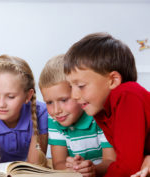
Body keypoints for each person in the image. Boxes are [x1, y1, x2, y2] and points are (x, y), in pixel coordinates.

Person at [64, 32, 150, 177]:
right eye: (71, 86)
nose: (74, 96)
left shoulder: (127, 95)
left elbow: (128, 167)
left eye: (81, 85)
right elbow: (130, 162)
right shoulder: (103, 111)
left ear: (113, 80)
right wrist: (94, 171)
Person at [38, 54, 115, 177]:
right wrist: (71, 168)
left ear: (78, 92)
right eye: (49, 102)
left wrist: (93, 169)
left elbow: (111, 161)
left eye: (63, 100)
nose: (56, 110)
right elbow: (58, 163)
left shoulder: (99, 116)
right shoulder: (54, 120)